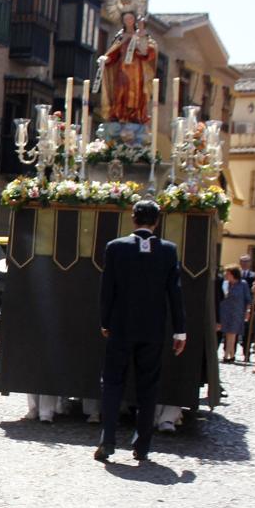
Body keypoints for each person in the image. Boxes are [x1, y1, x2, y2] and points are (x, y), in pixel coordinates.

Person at [94, 199, 185, 464]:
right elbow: (175, 293)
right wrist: (180, 331)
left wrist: (105, 322)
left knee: (112, 383)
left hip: (120, 327)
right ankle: (143, 445)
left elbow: (106, 290)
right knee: (148, 386)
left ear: (133, 219)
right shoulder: (169, 251)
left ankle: (107, 440)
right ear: (157, 221)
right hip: (153, 330)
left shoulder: (115, 248)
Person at [98, 0, 157, 125]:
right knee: (120, 91)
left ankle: (134, 115)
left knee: (135, 94)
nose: (128, 21)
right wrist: (106, 59)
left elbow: (149, 51)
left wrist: (141, 41)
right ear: (123, 20)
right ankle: (120, 114)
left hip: (136, 71)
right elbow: (114, 53)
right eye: (126, 19)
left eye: (131, 18)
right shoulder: (120, 36)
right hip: (122, 69)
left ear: (134, 20)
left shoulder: (140, 35)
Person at [217, 264, 253, 363]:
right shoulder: (225, 284)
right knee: (227, 334)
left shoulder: (243, 284)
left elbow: (248, 299)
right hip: (225, 312)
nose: (225, 275)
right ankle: (232, 355)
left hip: (237, 312)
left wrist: (248, 311)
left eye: (228, 273)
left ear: (234, 274)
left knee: (232, 334)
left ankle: (225, 355)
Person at [237, 254, 255, 361]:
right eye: (243, 261)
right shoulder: (235, 274)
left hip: (248, 305)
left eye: (247, 261)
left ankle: (246, 353)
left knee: (248, 330)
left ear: (250, 263)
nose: (244, 264)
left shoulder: (254, 276)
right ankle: (231, 352)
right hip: (236, 305)